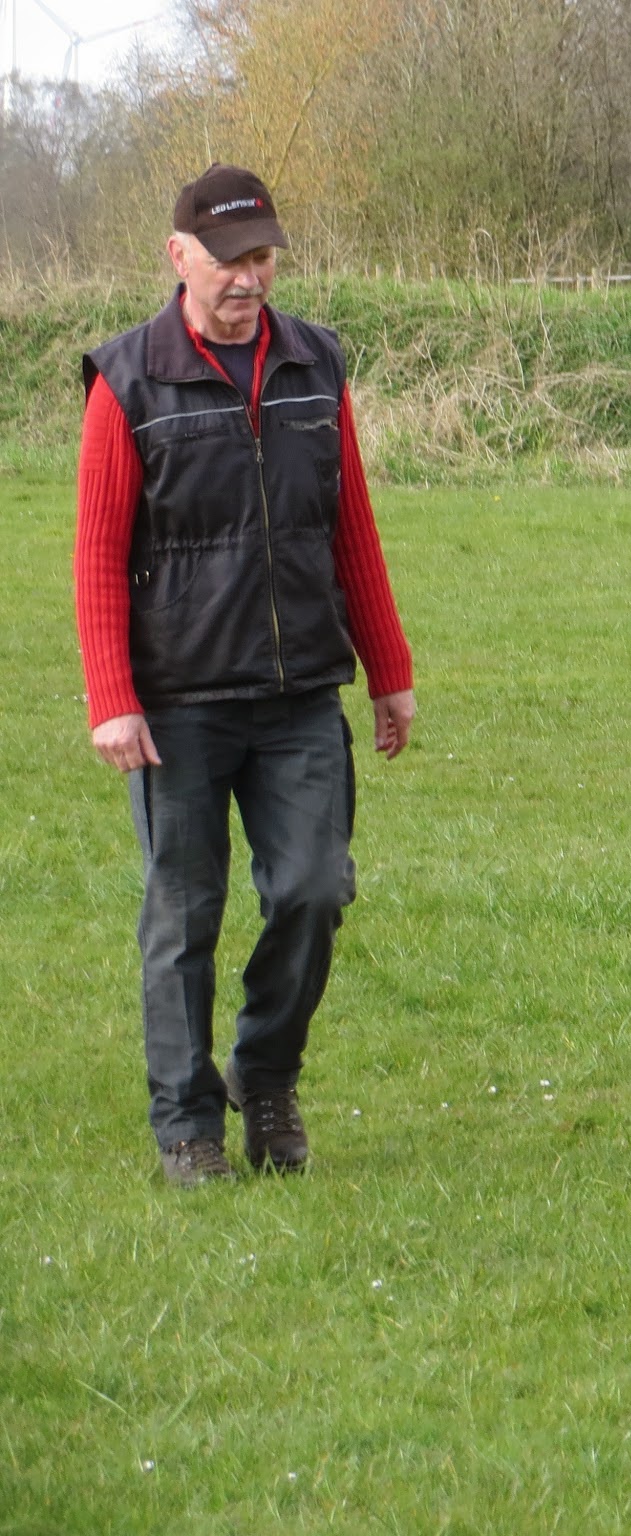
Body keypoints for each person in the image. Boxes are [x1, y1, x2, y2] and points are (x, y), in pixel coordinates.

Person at [74, 164, 416, 1186]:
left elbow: (349, 524)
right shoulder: (128, 379)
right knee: (184, 918)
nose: (248, 278)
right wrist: (112, 699)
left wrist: (389, 669)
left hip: (300, 692)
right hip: (177, 703)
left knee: (313, 889)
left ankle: (264, 1077)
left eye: (262, 257)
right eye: (228, 259)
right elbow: (96, 554)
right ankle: (188, 1128)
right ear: (179, 256)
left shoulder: (317, 364)